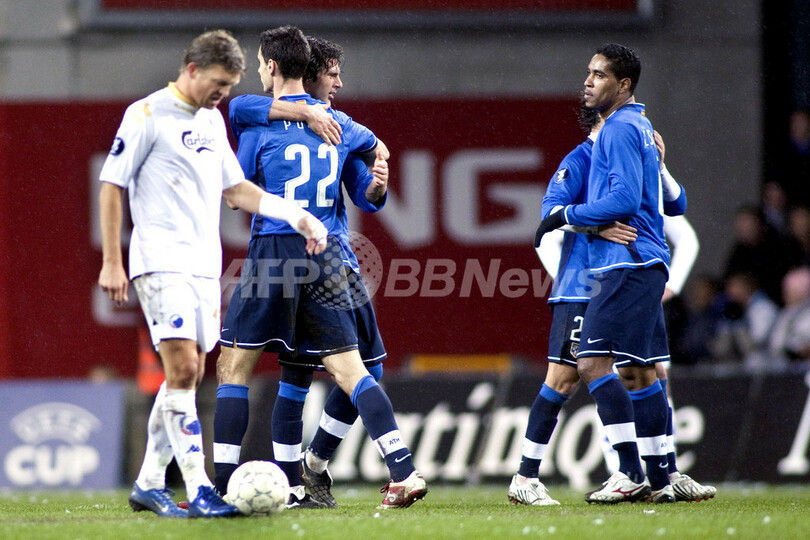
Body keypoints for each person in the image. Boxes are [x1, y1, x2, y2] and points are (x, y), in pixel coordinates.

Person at [97, 29, 328, 518]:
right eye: (218, 83)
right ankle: (201, 487)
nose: (222, 93)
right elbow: (112, 186)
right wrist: (112, 261)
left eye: (230, 86)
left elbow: (236, 189)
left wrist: (296, 215)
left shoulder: (210, 121)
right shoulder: (146, 114)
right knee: (183, 369)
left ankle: (148, 483)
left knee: (188, 373)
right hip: (160, 262)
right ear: (193, 69)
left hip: (203, 268)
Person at [213, 25, 427, 510]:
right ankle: (400, 469)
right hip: (327, 254)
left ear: (270, 65)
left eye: (259, 63)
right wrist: (368, 149)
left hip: (275, 249)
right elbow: (376, 146)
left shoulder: (254, 121)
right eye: (333, 73)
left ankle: (225, 486)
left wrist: (374, 184)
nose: (339, 82)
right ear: (310, 74)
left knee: (235, 367)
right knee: (347, 371)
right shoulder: (342, 125)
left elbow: (236, 191)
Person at [534, 44, 682, 504]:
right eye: (588, 73)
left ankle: (634, 472)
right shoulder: (640, 129)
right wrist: (591, 223)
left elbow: (622, 201)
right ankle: (662, 478)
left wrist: (568, 216)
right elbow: (676, 203)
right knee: (640, 369)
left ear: (623, 85)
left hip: (626, 263)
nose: (587, 81)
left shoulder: (618, 130)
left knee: (591, 364)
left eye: (598, 75)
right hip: (638, 262)